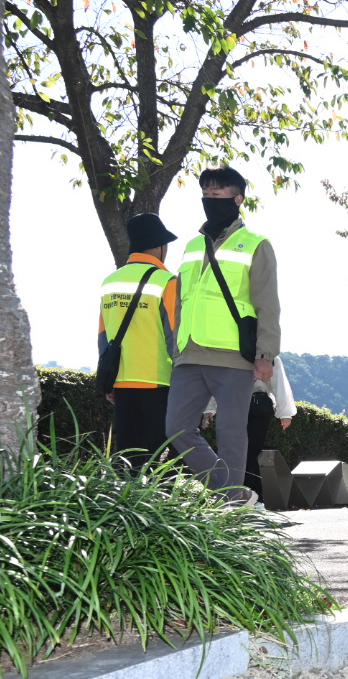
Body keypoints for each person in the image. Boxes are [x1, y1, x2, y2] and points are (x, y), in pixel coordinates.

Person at [166, 166, 279, 505]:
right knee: (176, 428)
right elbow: (182, 301)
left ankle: (230, 502)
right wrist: (174, 347)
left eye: (216, 194)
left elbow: (267, 303)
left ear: (237, 198)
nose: (209, 200)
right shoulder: (191, 246)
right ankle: (229, 490)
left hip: (232, 352)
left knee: (231, 432)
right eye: (205, 194)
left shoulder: (256, 244)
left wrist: (266, 354)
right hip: (188, 353)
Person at [99, 213, 179, 471]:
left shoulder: (110, 282)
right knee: (158, 459)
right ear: (159, 246)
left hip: (121, 380)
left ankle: (126, 509)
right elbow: (175, 337)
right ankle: (158, 509)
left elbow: (103, 337)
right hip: (158, 380)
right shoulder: (167, 281)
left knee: (126, 456)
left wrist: (108, 380)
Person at [202, 353, 295, 504]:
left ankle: (248, 497)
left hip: (250, 404)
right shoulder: (231, 350)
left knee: (246, 453)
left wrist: (285, 413)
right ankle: (250, 498)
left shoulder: (266, 353)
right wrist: (209, 408)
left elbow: (279, 382)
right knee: (242, 453)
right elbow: (216, 379)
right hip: (241, 404)